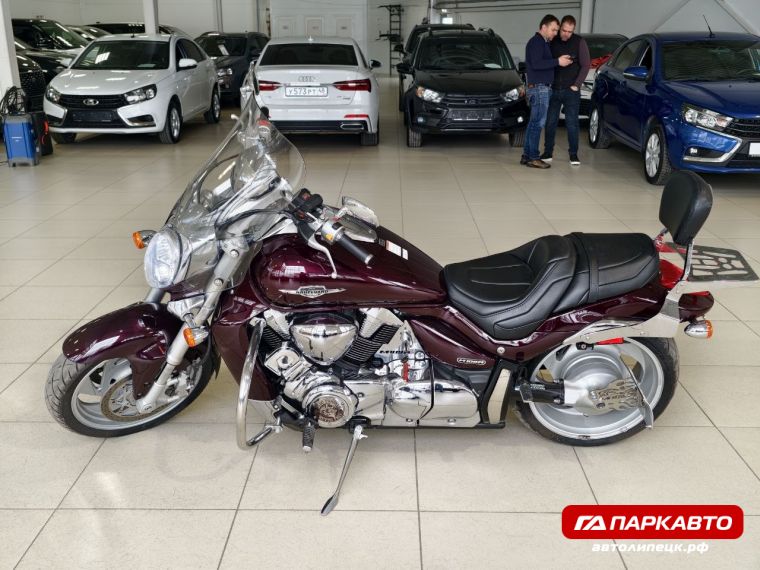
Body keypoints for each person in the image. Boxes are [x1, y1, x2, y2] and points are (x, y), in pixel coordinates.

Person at [521, 14, 573, 169]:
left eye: (557, 30)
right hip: (539, 88)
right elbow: (537, 64)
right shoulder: (537, 42)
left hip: (539, 88)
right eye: (553, 30)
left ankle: (527, 155)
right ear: (543, 27)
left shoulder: (541, 42)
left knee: (533, 123)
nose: (555, 33)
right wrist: (558, 61)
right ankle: (533, 158)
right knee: (538, 124)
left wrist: (558, 60)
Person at [541, 15, 590, 166]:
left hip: (571, 90)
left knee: (572, 123)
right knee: (550, 122)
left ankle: (573, 155)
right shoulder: (552, 40)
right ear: (560, 27)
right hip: (553, 88)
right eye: (564, 30)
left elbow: (586, 65)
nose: (566, 34)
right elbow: (545, 61)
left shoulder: (579, 42)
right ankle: (548, 152)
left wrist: (577, 84)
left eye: (570, 31)